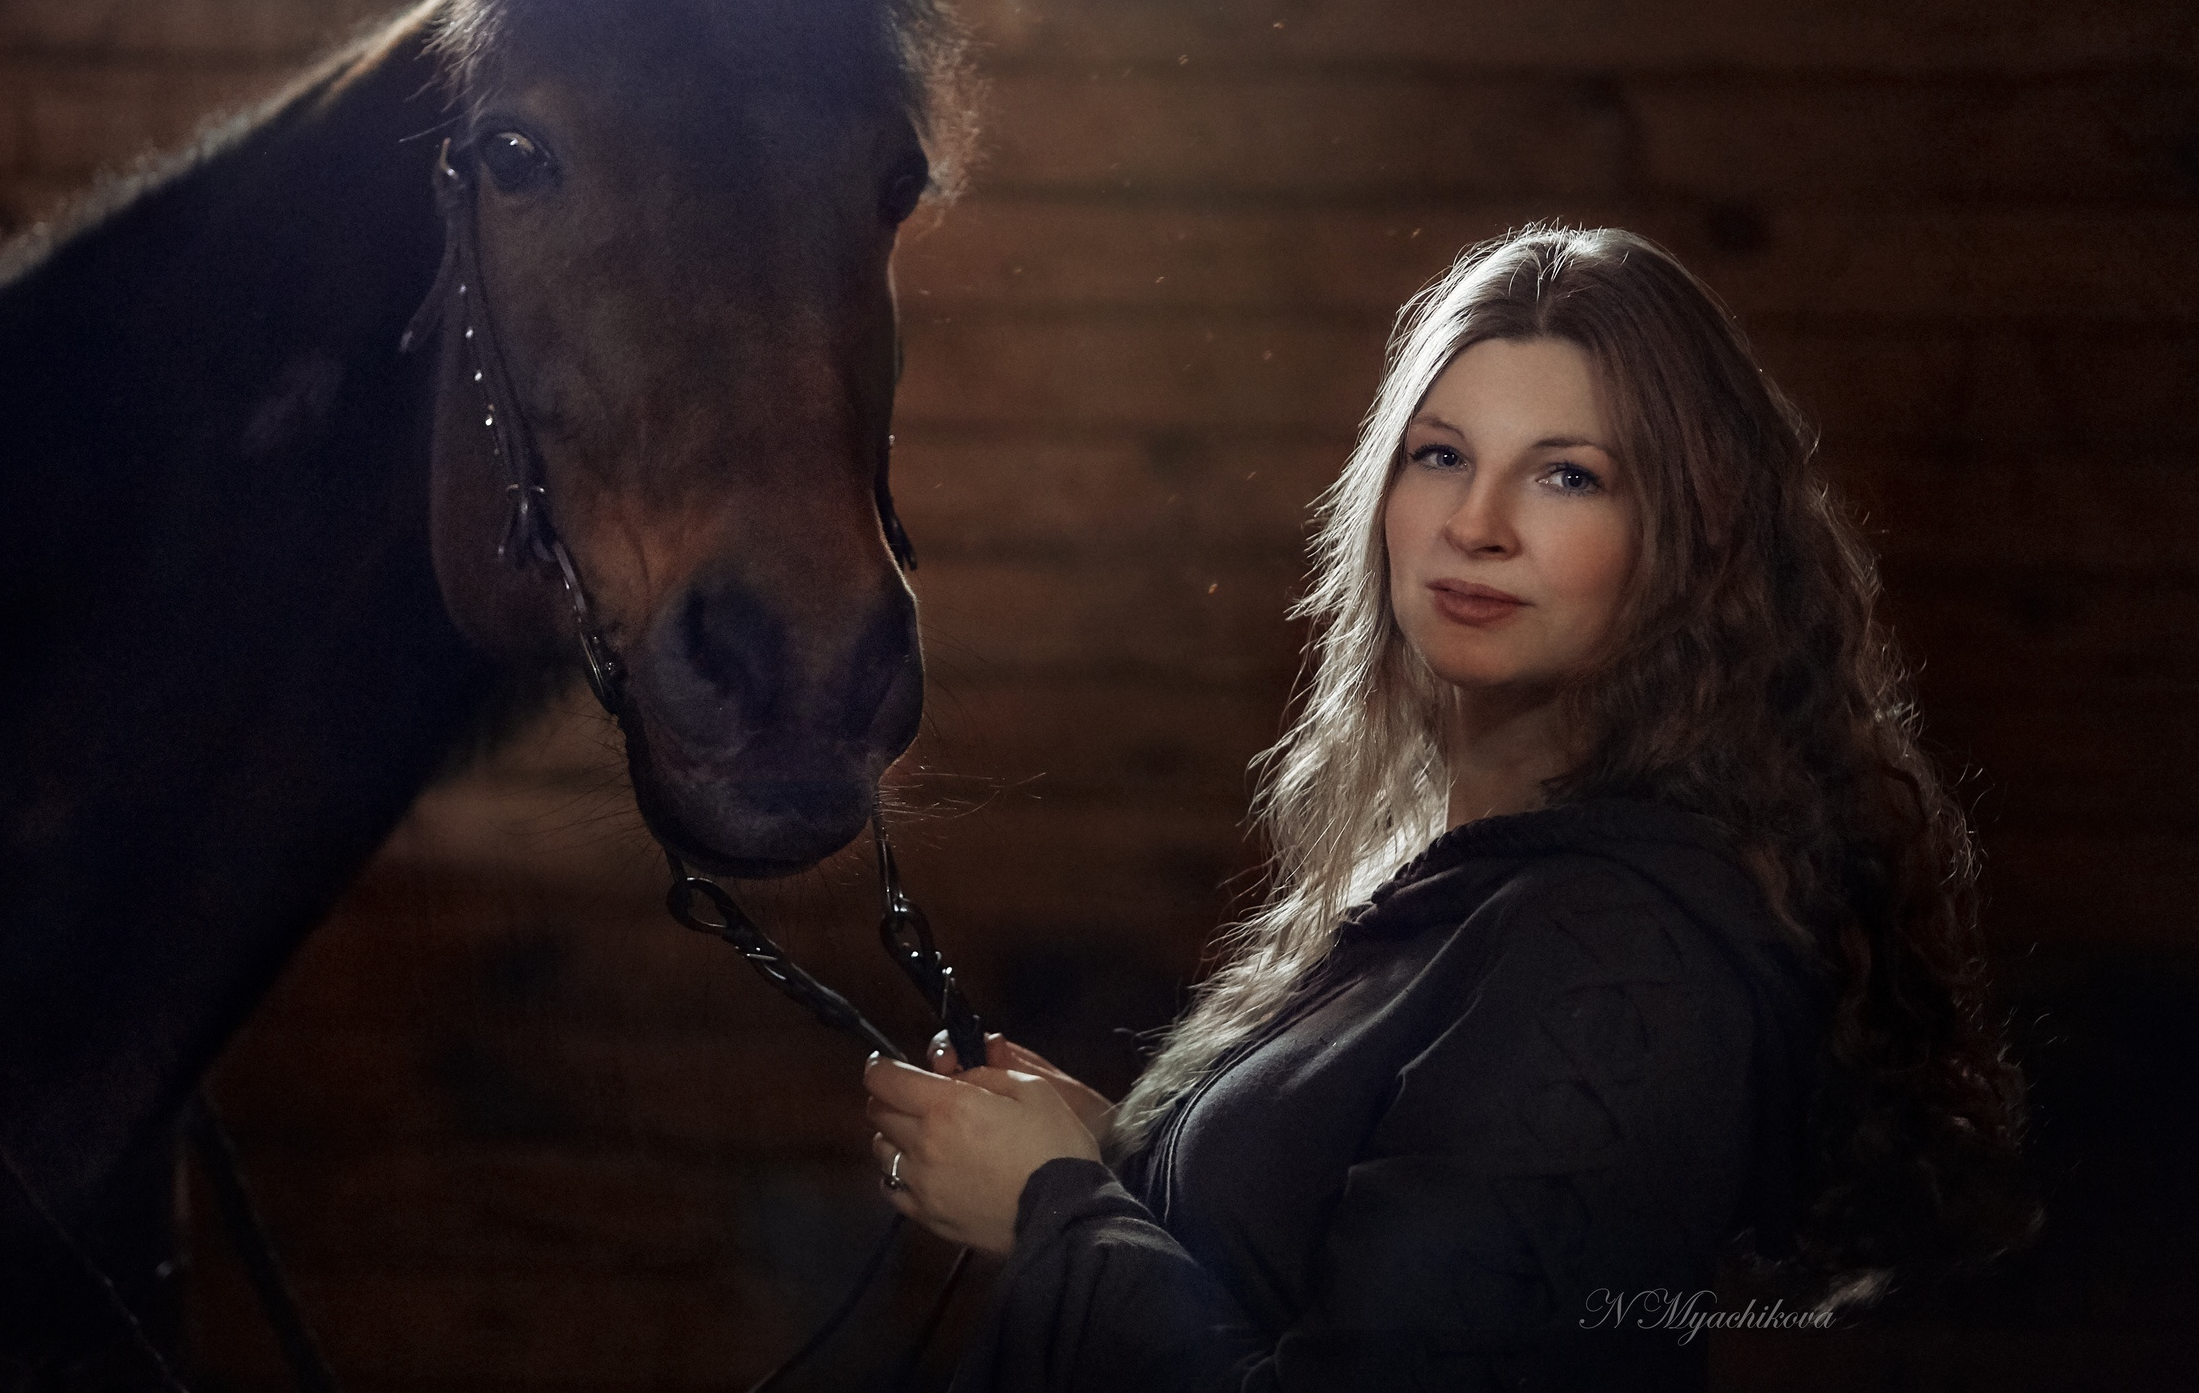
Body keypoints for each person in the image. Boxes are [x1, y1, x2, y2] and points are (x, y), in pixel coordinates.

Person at [861, 227, 2035, 1390]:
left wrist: (1050, 1207)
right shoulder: (1485, 872)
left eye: (1567, 475)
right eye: (1438, 456)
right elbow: (1311, 1280)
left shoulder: (1612, 956)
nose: (1478, 523)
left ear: (1691, 541)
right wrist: (1120, 1162)